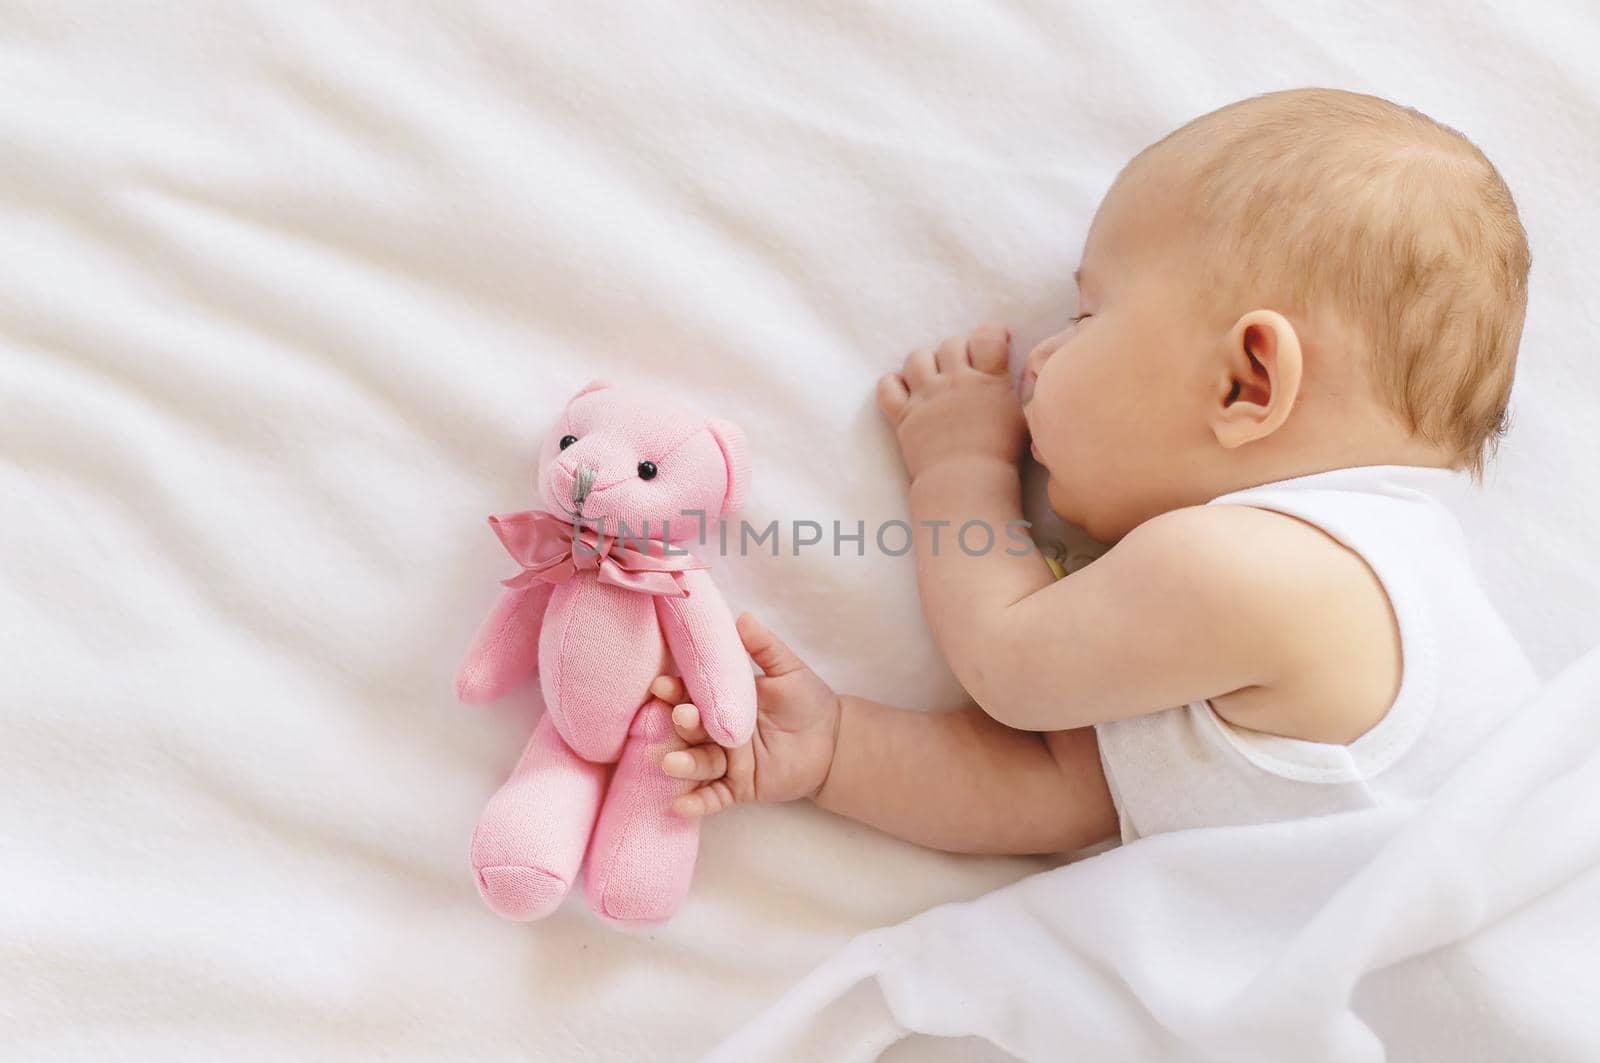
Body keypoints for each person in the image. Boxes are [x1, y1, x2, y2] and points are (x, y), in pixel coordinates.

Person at [651, 87, 1540, 854]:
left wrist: (959, 467)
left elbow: (1008, 661)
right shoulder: (1348, 587)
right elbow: (1068, 793)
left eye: (1088, 313)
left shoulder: (1263, 567)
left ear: (1246, 382)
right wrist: (835, 750)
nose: (1040, 354)